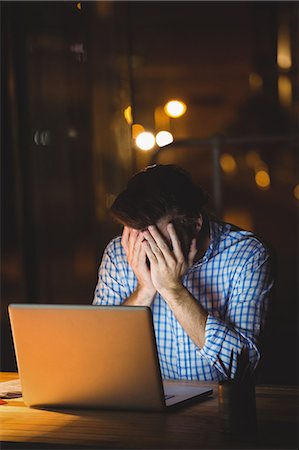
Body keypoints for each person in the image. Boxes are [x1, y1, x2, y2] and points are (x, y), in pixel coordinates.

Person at [93, 164, 273, 381]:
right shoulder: (120, 252)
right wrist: (145, 290)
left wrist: (173, 290)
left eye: (158, 240)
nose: (146, 249)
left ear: (195, 223)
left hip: (223, 404)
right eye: (139, 235)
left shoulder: (247, 255)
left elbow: (241, 365)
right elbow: (98, 352)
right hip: (149, 402)